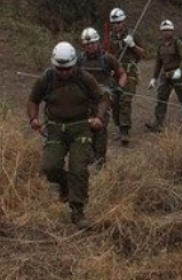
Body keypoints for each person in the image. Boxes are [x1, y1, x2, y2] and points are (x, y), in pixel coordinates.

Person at [26, 42, 109, 229]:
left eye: (67, 69)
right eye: (59, 69)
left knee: (78, 168)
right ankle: (65, 185)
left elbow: (102, 99)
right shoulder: (46, 79)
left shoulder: (85, 78)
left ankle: (78, 211)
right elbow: (32, 100)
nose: (63, 72)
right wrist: (33, 119)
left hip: (80, 127)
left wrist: (99, 117)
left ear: (74, 65)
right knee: (49, 167)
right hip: (55, 128)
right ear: (54, 65)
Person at [79, 27, 127, 167]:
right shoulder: (80, 60)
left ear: (98, 42)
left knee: (99, 128)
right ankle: (89, 159)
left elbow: (122, 74)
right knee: (84, 128)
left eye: (93, 43)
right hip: (84, 99)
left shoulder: (108, 58)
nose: (90, 46)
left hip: (103, 99)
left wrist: (119, 87)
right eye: (87, 44)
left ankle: (100, 161)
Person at [145, 19, 182, 132]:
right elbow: (158, 63)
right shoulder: (161, 46)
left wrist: (180, 71)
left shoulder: (178, 43)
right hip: (165, 74)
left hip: (177, 74)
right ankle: (157, 122)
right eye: (164, 31)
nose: (166, 32)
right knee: (161, 97)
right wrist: (154, 78)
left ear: (172, 31)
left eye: (168, 30)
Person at [108, 7, 146, 146]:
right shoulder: (111, 37)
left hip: (130, 71)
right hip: (116, 72)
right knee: (115, 100)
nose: (116, 25)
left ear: (123, 22)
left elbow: (144, 53)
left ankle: (125, 131)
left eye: (119, 22)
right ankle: (119, 127)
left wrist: (133, 45)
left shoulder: (133, 34)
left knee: (125, 99)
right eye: (114, 23)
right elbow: (109, 54)